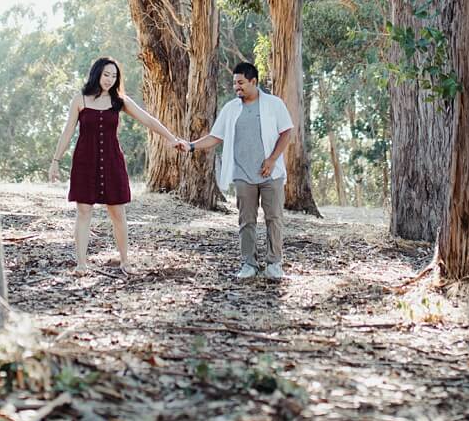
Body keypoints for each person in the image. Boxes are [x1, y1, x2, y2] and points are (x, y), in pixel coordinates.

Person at [49, 57, 180, 274]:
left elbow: (147, 120)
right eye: (106, 74)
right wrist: (55, 161)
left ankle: (125, 261)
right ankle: (81, 263)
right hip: (85, 161)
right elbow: (68, 131)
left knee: (117, 212)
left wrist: (171, 138)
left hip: (112, 161)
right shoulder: (80, 99)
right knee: (83, 211)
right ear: (97, 74)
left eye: (114, 76)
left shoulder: (120, 101)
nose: (110, 79)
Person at [176, 61, 294, 280]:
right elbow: (215, 137)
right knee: (246, 221)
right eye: (234, 83)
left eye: (240, 83)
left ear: (253, 81)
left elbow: (286, 132)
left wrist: (272, 159)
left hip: (271, 173)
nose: (236, 87)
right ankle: (249, 264)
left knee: (274, 218)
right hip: (243, 175)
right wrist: (191, 145)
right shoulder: (231, 109)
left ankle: (274, 264)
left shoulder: (273, 104)